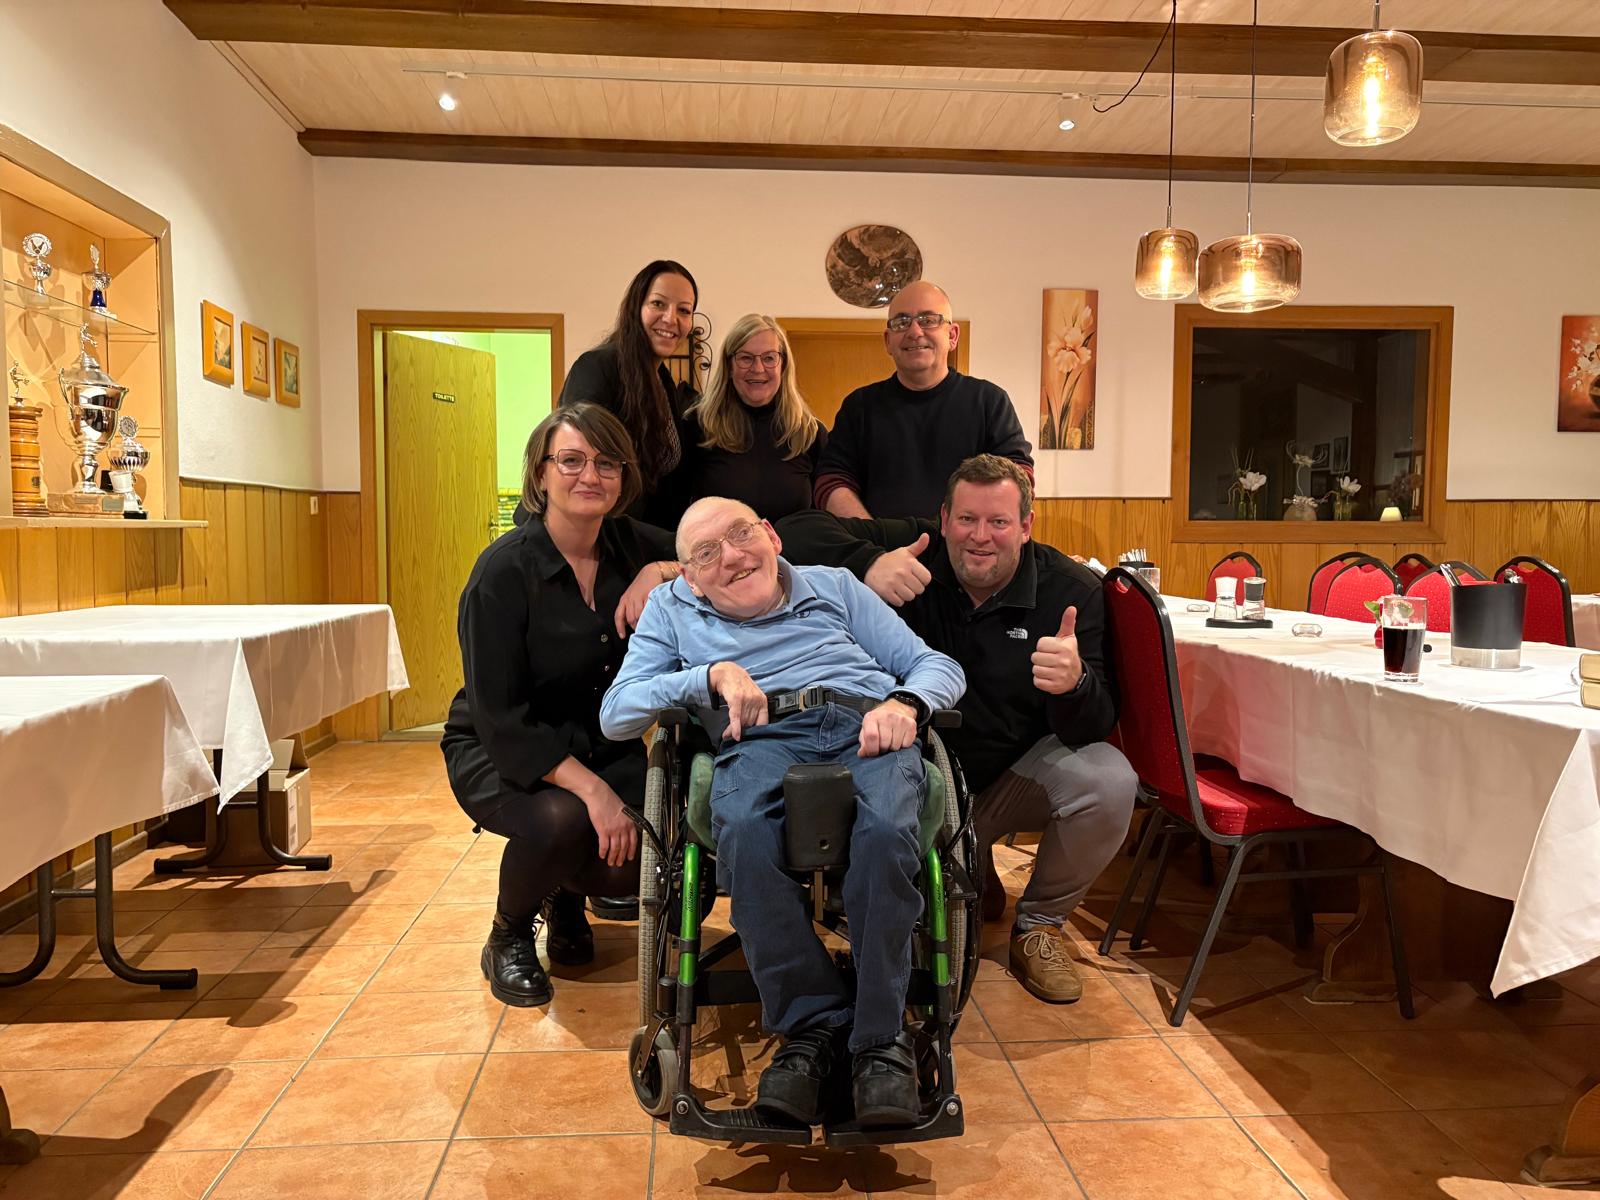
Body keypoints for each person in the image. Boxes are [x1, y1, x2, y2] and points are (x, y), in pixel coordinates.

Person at [599, 498, 965, 1128]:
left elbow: (936, 664)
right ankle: (814, 1027)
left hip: (865, 724)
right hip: (760, 736)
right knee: (742, 830)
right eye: (706, 553)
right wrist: (709, 676)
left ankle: (880, 1042)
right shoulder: (670, 608)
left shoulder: (836, 586)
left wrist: (905, 703)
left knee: (885, 831)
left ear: (770, 535)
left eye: (741, 534)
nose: (732, 557)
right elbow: (617, 712)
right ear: (689, 577)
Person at [779, 455, 1138, 1005]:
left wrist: (1076, 684)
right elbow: (795, 532)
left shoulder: (1072, 590)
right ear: (944, 519)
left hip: (1012, 774)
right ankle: (971, 863)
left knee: (1110, 780)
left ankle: (1039, 926)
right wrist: (868, 563)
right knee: (919, 926)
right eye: (967, 519)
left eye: (999, 522)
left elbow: (1095, 724)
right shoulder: (915, 548)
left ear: (1026, 526)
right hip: (915, 775)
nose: (980, 536)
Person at [441, 403, 682, 1008]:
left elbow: (717, 550)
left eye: (606, 463)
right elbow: (502, 719)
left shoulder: (630, 544)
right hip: (501, 744)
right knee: (564, 820)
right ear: (541, 473)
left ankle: (565, 894)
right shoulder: (502, 573)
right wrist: (595, 793)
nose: (590, 476)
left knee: (642, 855)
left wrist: (658, 570)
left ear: (622, 477)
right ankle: (509, 933)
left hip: (598, 739)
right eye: (571, 461)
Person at [812, 280, 1033, 519]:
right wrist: (872, 536)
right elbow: (831, 480)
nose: (915, 332)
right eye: (901, 322)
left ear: (952, 335)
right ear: (887, 341)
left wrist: (971, 532)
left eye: (928, 320)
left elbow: (1018, 478)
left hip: (968, 542)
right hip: (874, 542)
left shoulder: (989, 402)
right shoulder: (859, 407)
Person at [559, 260, 699, 529]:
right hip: (593, 536)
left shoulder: (663, 381)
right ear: (636, 307)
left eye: (684, 310)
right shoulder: (597, 368)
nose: (671, 318)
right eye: (658, 304)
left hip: (636, 538)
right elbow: (581, 470)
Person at [685, 314, 827, 521]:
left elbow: (824, 517)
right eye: (746, 358)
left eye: (769, 358)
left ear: (783, 366)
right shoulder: (697, 426)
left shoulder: (809, 433)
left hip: (791, 544)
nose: (758, 369)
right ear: (729, 366)